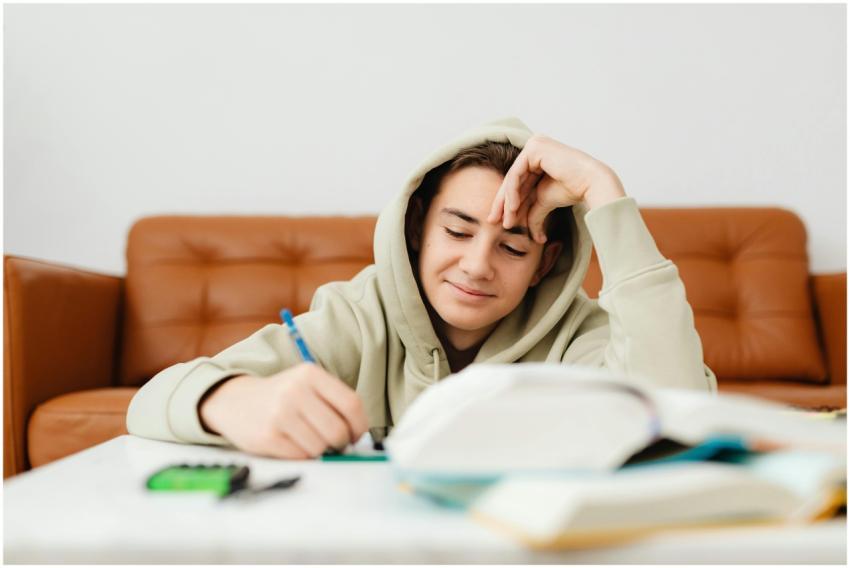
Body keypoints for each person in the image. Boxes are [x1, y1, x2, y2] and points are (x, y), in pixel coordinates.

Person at [126, 117, 717, 459]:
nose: (478, 265)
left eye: (513, 247)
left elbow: (680, 412)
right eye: (457, 231)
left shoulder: (580, 336)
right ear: (417, 231)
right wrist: (231, 401)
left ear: (545, 263)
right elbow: (151, 400)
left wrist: (605, 194)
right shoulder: (357, 314)